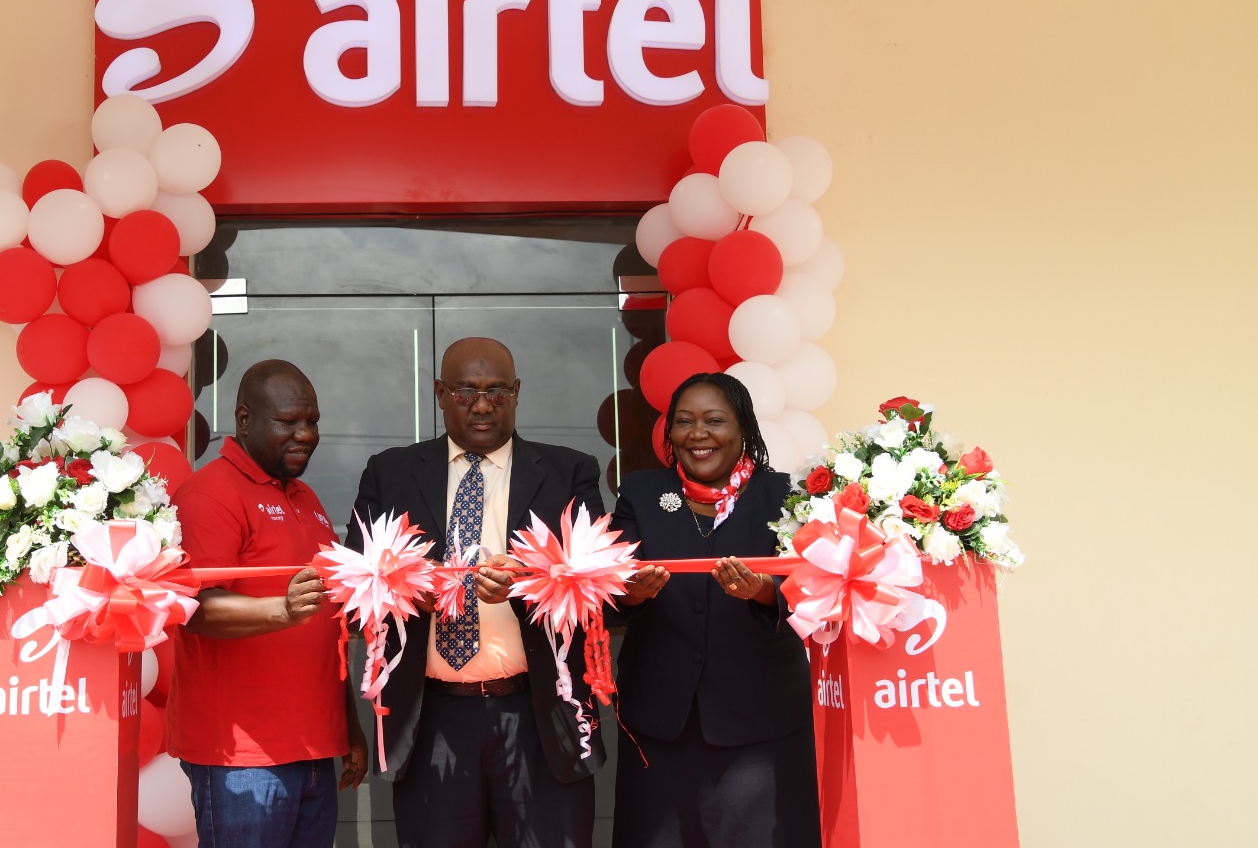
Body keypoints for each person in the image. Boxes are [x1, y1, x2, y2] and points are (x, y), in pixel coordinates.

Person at [350, 337, 606, 848]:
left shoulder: (569, 472)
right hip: (431, 720)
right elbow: (356, 587)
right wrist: (409, 595)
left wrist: (525, 585)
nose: (483, 405)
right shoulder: (391, 472)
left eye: (498, 392)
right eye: (466, 392)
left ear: (517, 392)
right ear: (440, 393)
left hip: (538, 715)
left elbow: (596, 585)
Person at [608, 371, 821, 848]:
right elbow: (607, 592)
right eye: (684, 421)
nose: (697, 433)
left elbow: (813, 589)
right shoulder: (641, 493)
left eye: (714, 420)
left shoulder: (786, 495)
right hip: (660, 726)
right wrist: (634, 592)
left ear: (743, 427)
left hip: (761, 725)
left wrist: (763, 591)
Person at [166, 359, 368, 848]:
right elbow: (195, 609)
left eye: (312, 421)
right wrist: (283, 610)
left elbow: (325, 625)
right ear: (244, 419)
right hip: (241, 756)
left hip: (315, 746)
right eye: (288, 421)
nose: (306, 434)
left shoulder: (306, 498)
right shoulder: (210, 493)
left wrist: (347, 727)